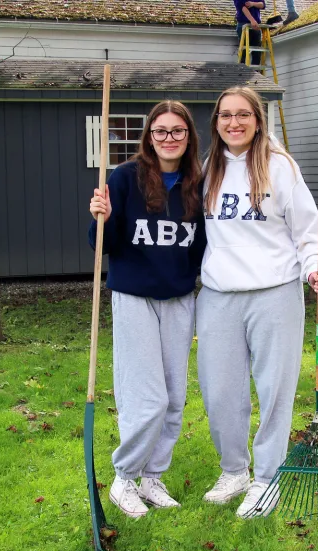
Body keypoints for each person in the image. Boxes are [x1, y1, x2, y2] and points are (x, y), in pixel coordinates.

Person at [196, 86, 318, 518]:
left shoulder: (281, 168)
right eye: (225, 116)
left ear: (258, 120)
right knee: (219, 391)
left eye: (242, 115)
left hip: (275, 293)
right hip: (218, 295)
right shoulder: (208, 169)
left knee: (274, 389)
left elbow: (308, 231)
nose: (233, 123)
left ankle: (267, 477)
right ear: (216, 123)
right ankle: (234, 469)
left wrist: (315, 268)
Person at [88, 101, 206, 519]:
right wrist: (99, 217)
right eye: (160, 131)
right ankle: (125, 477)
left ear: (189, 136)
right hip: (135, 297)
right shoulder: (124, 178)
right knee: (147, 396)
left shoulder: (199, 183)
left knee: (174, 396)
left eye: (177, 131)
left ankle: (153, 476)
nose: (168, 138)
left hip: (179, 298)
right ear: (148, 136)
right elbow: (103, 243)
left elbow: (207, 244)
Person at [235, 0, 265, 66]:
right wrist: (252, 20)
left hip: (256, 25)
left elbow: (262, 4)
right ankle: (241, 72)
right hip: (244, 24)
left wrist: (253, 4)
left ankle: (255, 74)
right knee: (243, 51)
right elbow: (242, 7)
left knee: (257, 52)